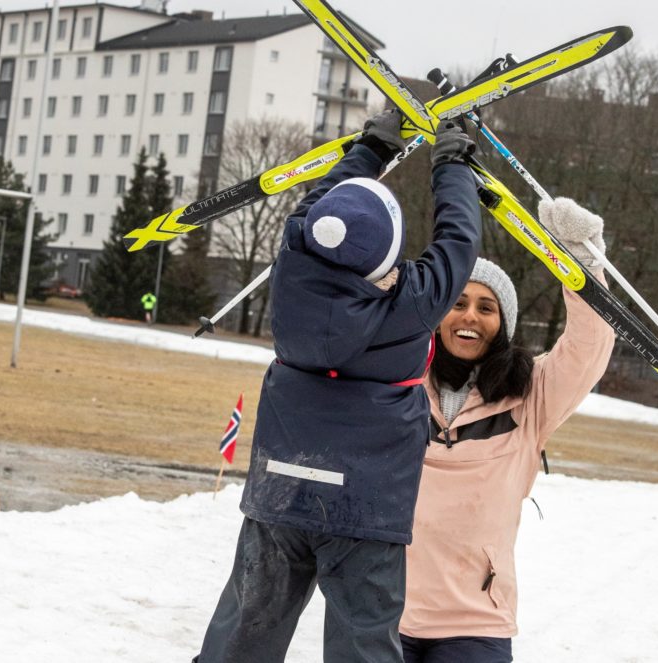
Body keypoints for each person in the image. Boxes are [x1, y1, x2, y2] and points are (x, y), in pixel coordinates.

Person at [195, 110, 481, 663]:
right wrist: (452, 167)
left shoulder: (292, 272)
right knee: (363, 642)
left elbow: (315, 208)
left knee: (246, 629)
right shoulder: (411, 302)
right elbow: (458, 240)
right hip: (366, 506)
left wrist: (370, 149)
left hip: (281, 490)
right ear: (388, 255)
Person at [400, 199, 617, 663]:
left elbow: (589, 347)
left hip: (475, 622)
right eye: (456, 303)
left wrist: (582, 257)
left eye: (486, 307)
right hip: (382, 611)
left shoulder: (530, 396)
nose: (470, 317)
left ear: (503, 325)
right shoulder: (398, 383)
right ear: (437, 316)